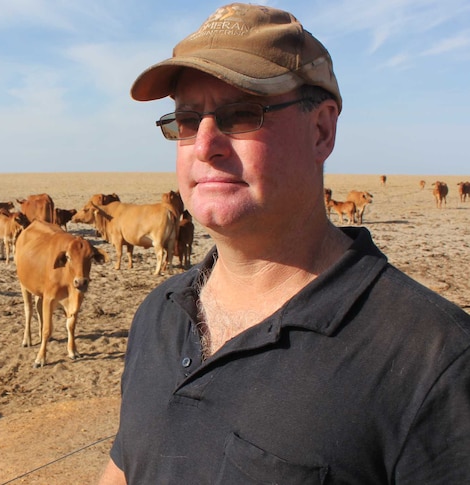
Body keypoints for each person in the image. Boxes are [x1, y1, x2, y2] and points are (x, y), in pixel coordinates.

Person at [98, 3, 470, 484]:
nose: (205, 143)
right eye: (187, 120)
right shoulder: (158, 315)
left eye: (241, 114)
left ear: (322, 130)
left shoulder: (433, 360)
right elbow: (126, 469)